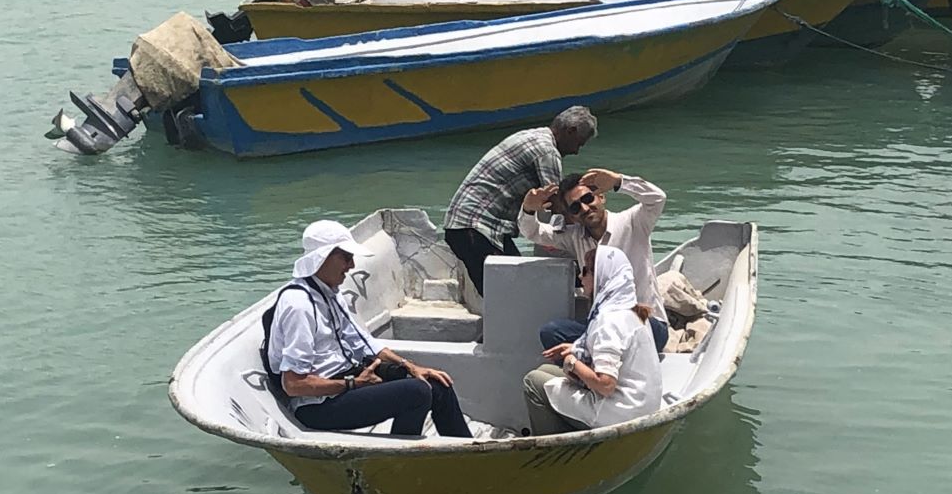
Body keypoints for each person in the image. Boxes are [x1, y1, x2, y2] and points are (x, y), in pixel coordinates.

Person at [267, 219, 472, 438]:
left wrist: (411, 367)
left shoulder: (330, 294)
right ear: (322, 258)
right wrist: (353, 384)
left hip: (348, 380)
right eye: (346, 257)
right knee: (418, 392)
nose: (351, 265)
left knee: (436, 384)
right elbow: (293, 385)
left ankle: (471, 456)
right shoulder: (299, 305)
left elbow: (363, 343)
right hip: (318, 406)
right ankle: (399, 460)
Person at [443, 105, 598, 299]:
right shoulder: (547, 152)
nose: (576, 151)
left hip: (473, 225)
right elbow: (558, 205)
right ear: (571, 131)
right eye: (579, 143)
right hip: (476, 227)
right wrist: (591, 237)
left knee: (514, 285)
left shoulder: (531, 135)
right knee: (508, 295)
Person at [519, 168, 670, 353]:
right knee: (551, 333)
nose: (584, 208)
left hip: (644, 324)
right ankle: (593, 363)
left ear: (601, 197)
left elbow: (657, 198)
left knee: (622, 326)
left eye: (588, 199)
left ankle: (590, 359)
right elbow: (533, 232)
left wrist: (618, 181)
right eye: (575, 207)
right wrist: (528, 209)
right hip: (601, 326)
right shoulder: (574, 237)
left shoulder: (633, 222)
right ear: (572, 216)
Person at [522, 246, 662, 436]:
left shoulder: (608, 320)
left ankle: (555, 446)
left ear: (600, 276)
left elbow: (605, 385)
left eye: (585, 271)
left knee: (532, 381)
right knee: (545, 372)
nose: (581, 277)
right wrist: (575, 348)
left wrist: (572, 362)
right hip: (642, 404)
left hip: (619, 413)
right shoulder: (634, 311)